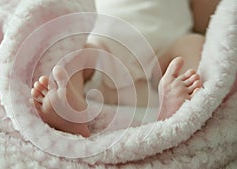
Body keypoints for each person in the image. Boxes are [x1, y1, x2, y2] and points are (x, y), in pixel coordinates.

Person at [31, 0, 220, 137]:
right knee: (77, 53)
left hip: (164, 67)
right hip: (105, 55)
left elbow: (208, 17)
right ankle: (71, 107)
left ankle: (176, 109)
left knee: (193, 44)